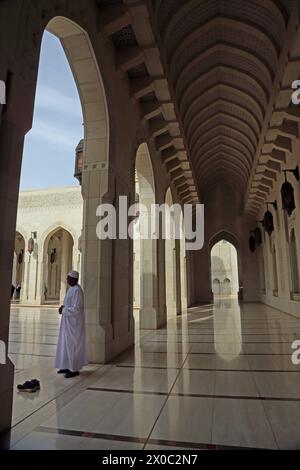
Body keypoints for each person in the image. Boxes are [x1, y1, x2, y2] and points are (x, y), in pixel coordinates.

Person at [55, 271, 88, 378]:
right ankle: (66, 365)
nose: (67, 280)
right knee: (65, 345)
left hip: (74, 325)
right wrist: (63, 308)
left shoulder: (78, 291)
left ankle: (74, 369)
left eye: (69, 278)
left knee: (73, 346)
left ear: (74, 279)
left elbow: (77, 309)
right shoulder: (71, 289)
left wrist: (64, 309)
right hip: (67, 323)